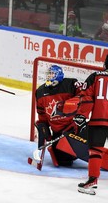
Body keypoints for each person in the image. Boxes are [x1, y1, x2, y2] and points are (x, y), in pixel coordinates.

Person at [35, 64, 84, 166]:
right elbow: (42, 115)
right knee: (63, 160)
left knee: (73, 153)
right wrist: (44, 128)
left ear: (59, 75)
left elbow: (84, 95)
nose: (49, 76)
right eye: (49, 74)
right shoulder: (40, 92)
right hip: (58, 132)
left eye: (52, 74)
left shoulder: (70, 84)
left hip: (74, 128)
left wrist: (72, 103)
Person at [73, 55, 108, 195]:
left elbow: (87, 97)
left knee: (95, 151)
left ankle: (92, 181)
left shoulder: (96, 76)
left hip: (99, 119)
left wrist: (81, 115)